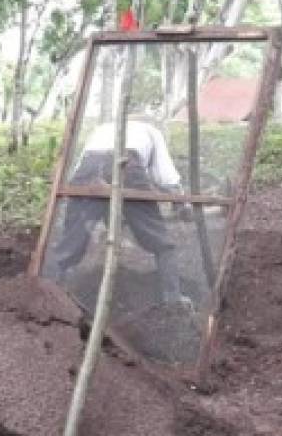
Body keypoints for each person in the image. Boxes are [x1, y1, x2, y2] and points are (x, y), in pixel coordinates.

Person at [50, 118, 191, 308]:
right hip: (128, 165)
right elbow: (165, 175)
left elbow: (80, 171)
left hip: (88, 169)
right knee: (163, 244)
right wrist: (181, 202)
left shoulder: (102, 127)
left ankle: (47, 291)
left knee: (70, 242)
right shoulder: (151, 131)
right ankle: (173, 300)